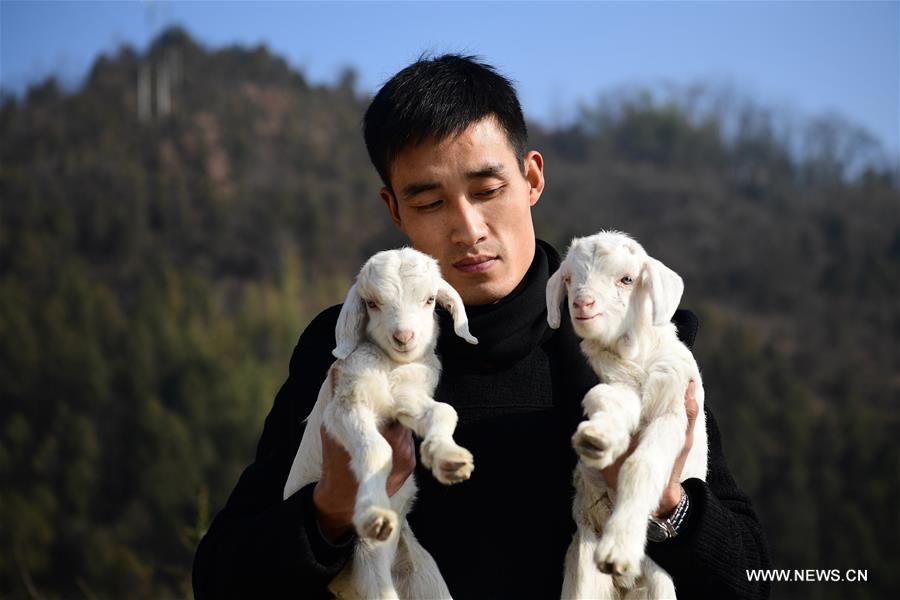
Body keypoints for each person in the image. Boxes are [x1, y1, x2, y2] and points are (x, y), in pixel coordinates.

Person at [193, 54, 771, 599]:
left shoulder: (634, 341)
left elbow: (756, 577)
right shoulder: (344, 349)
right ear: (393, 210)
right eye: (429, 203)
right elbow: (220, 578)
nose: (467, 229)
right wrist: (332, 507)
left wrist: (665, 504)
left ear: (532, 178)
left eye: (487, 190)